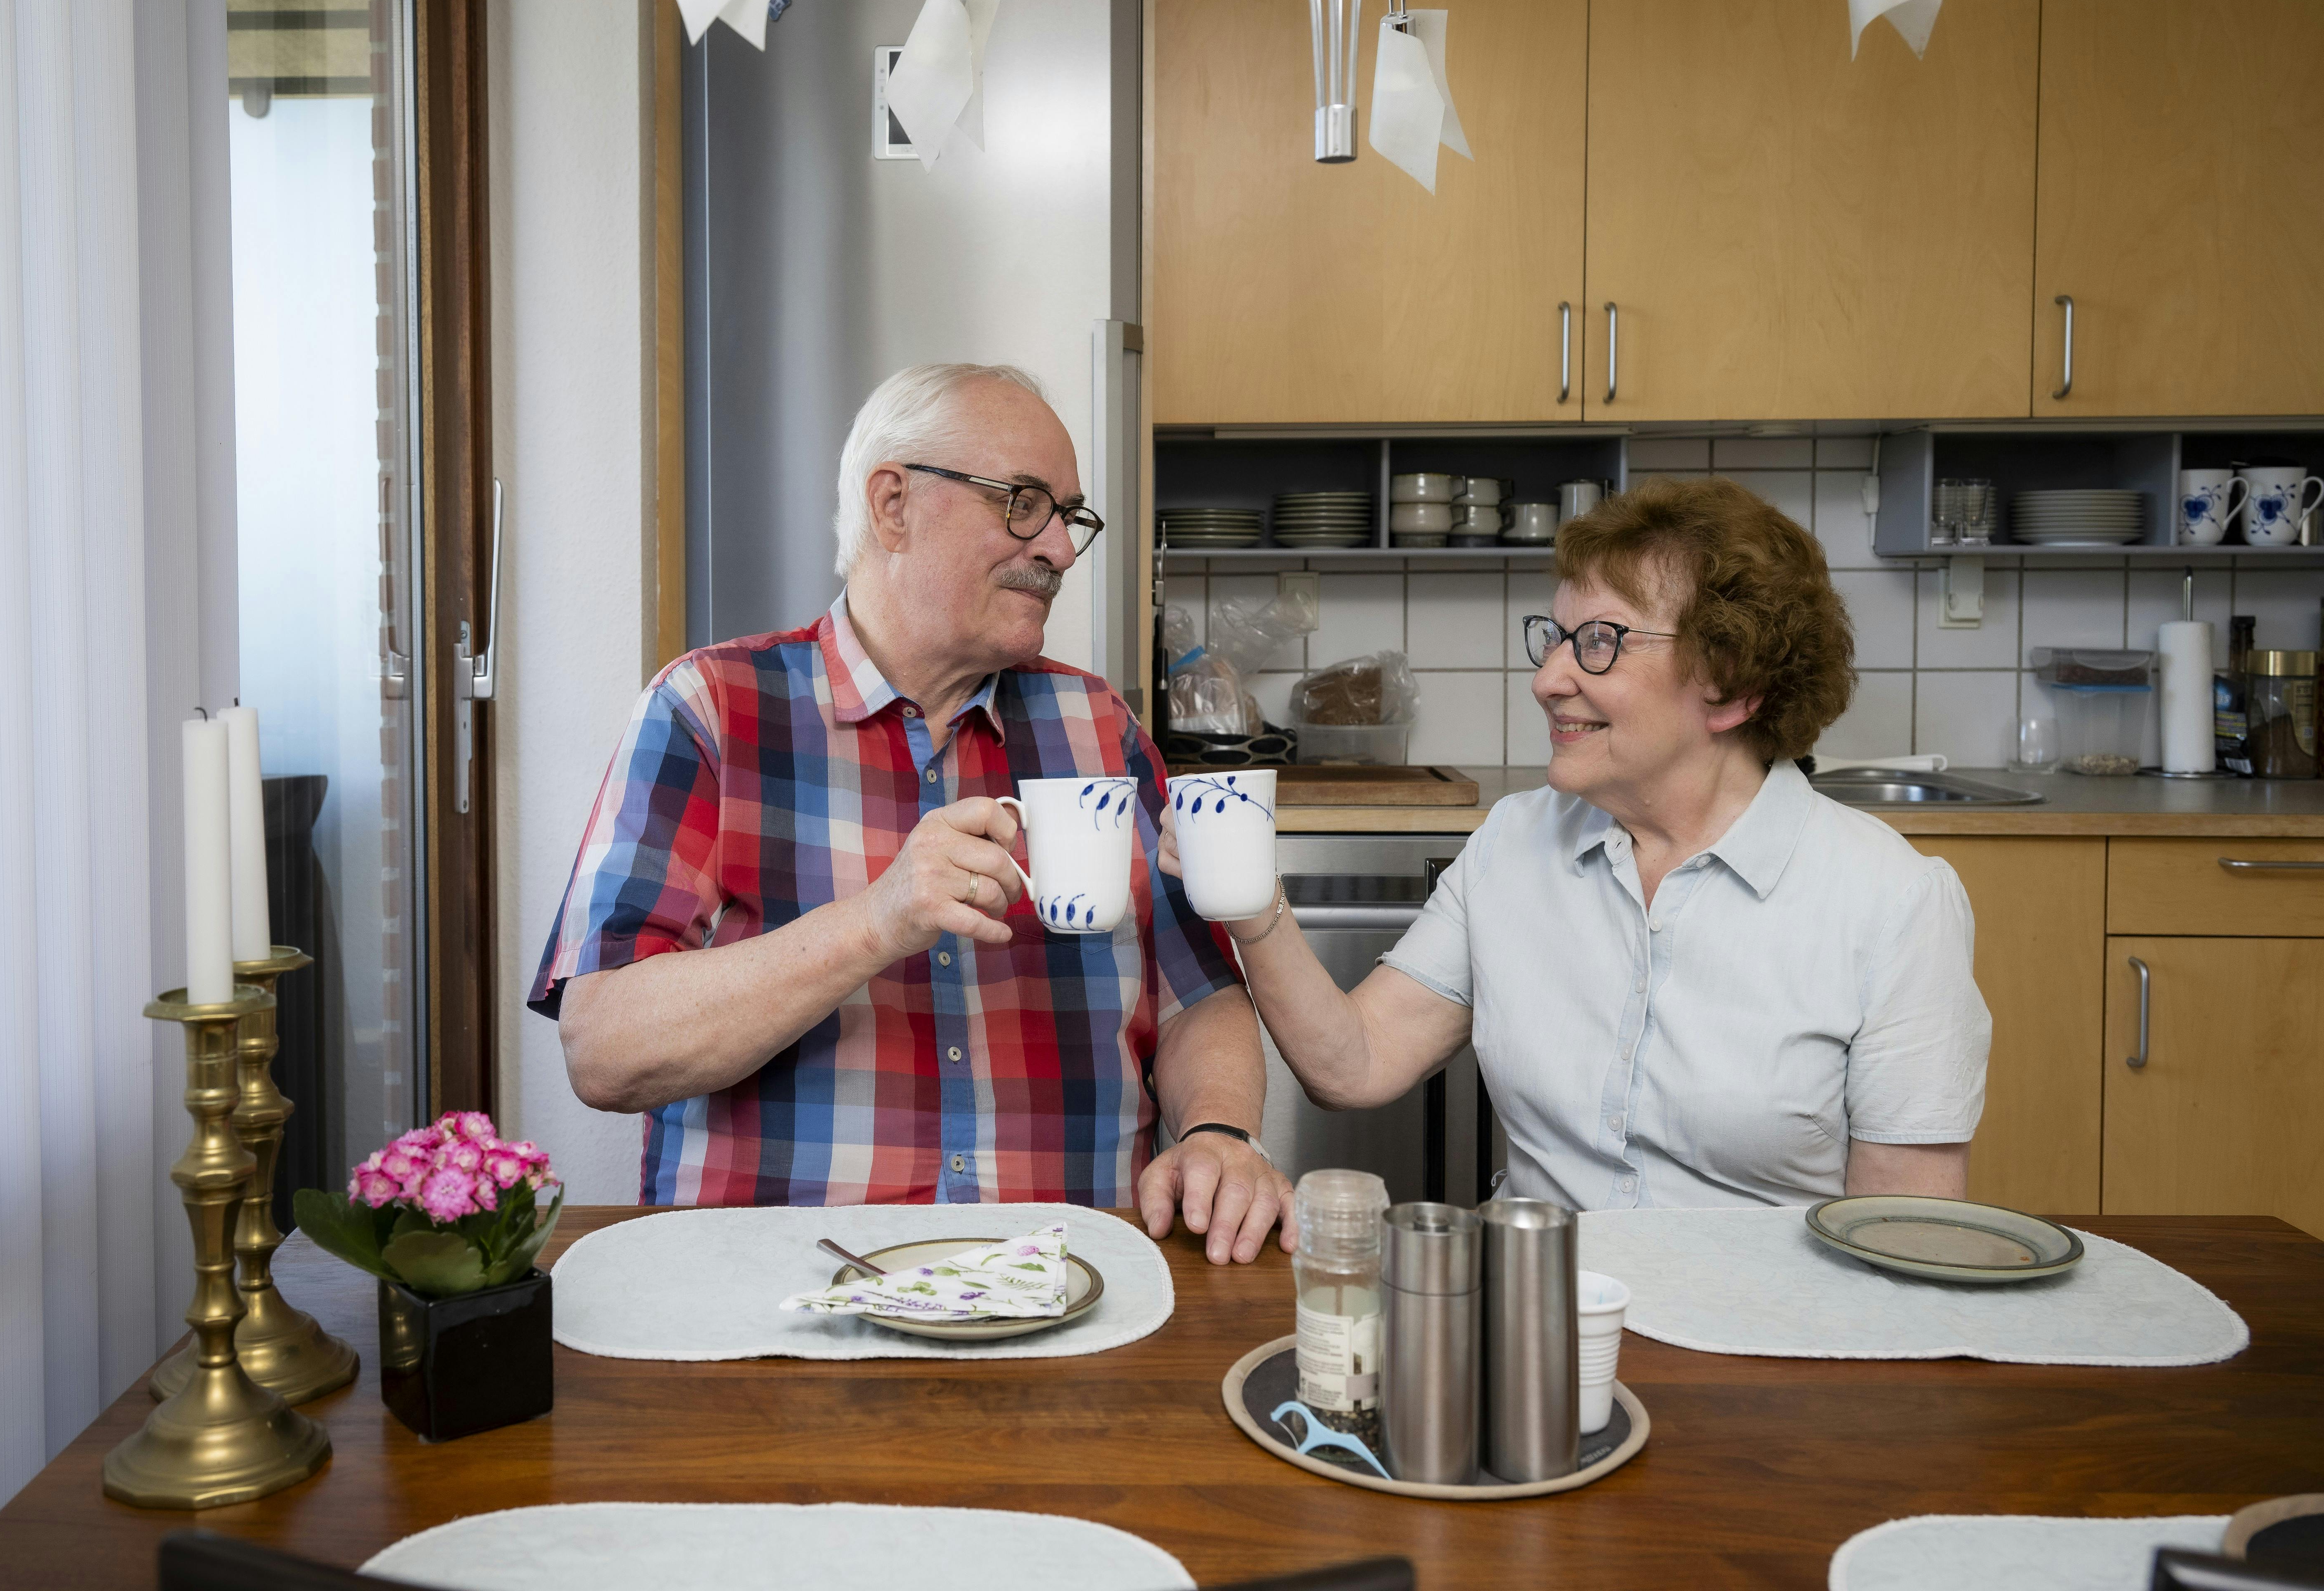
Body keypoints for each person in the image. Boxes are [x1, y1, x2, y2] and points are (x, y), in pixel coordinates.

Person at [531, 362, 1294, 1262]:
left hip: (1071, 1282)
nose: (1056, 549)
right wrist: (876, 920)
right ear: (892, 505)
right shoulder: (711, 709)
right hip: (777, 1297)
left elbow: (1200, 999)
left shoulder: (1099, 728)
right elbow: (605, 1047)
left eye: (1068, 517)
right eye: (1023, 502)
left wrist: (1219, 1132)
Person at [1168, 479, 1990, 1210]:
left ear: (1733, 681)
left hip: (1762, 1346)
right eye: (1557, 635)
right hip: (1541, 1310)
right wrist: (1253, 905)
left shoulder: (1893, 901)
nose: (1548, 677)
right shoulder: (1515, 843)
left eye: (1600, 640)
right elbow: (1356, 1063)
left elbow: (1903, 1234)